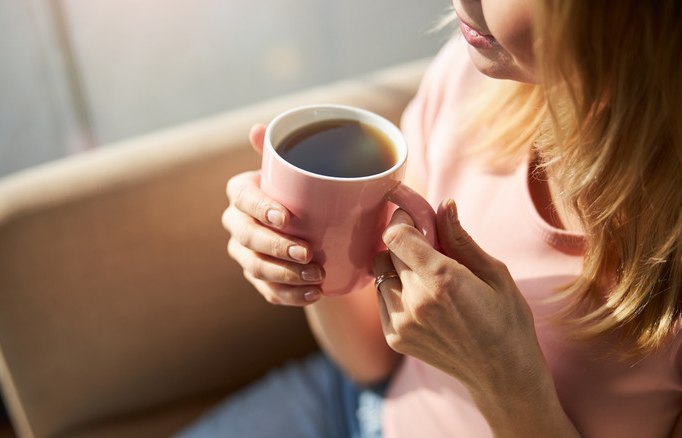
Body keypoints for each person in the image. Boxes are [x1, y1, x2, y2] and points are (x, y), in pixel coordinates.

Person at [178, 0, 682, 436]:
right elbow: (370, 360)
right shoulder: (469, 79)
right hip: (358, 410)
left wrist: (504, 381)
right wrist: (305, 247)